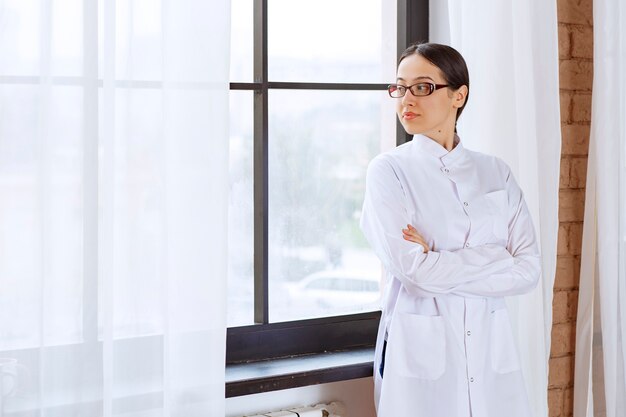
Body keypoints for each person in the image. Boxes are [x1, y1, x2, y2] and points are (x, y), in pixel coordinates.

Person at [360, 43, 541, 417]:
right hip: (420, 358)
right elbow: (417, 276)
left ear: (459, 95)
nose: (406, 99)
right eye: (400, 87)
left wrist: (438, 259)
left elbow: (528, 271)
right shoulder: (389, 171)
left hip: (491, 354)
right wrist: (496, 255)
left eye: (423, 87)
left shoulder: (495, 172)